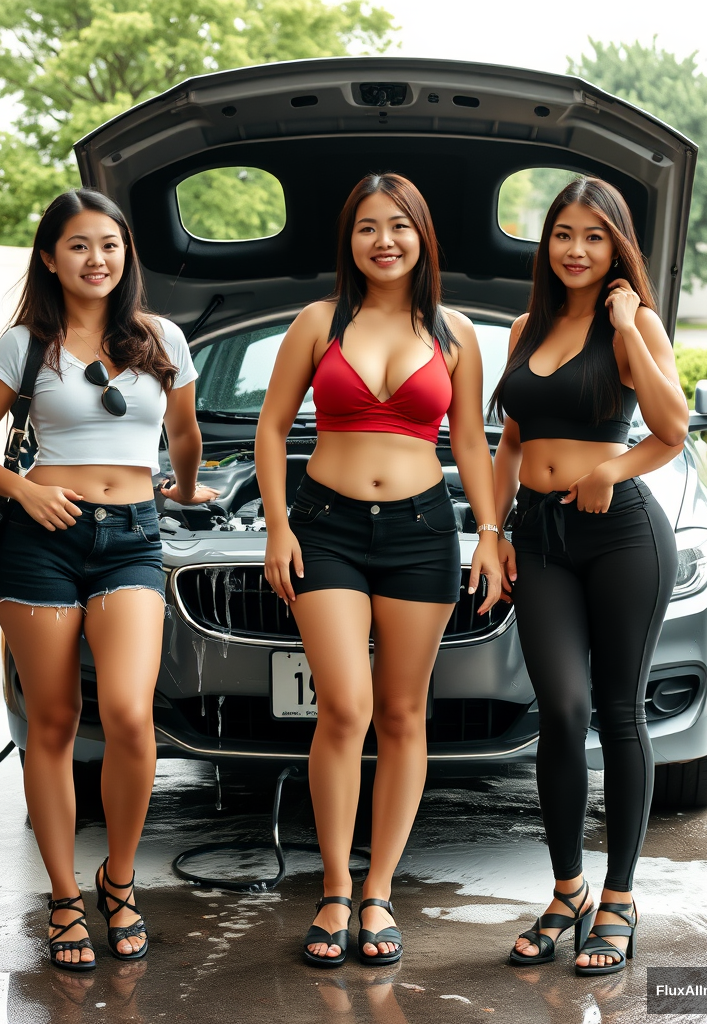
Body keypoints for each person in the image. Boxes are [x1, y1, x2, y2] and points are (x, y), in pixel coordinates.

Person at [0, 189, 217, 971]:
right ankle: (65, 897)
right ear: (48, 257)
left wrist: (186, 486)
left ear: (127, 254)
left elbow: (184, 431)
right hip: (39, 542)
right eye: (78, 246)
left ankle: (119, 880)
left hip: (132, 537)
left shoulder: (162, 337)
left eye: (110, 244)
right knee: (55, 723)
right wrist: (22, 487)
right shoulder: (25, 344)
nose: (97, 259)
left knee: (131, 715)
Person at [256, 173, 502, 967]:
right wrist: (277, 527)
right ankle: (333, 887)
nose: (384, 240)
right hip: (325, 528)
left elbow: (471, 443)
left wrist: (490, 531)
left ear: (423, 237)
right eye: (367, 227)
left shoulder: (456, 333)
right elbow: (269, 428)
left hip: (422, 530)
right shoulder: (318, 321)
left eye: (399, 226)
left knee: (403, 715)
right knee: (345, 708)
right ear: (349, 241)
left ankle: (379, 891)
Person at [490, 177, 686, 976]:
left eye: (594, 237)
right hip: (538, 536)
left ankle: (620, 899)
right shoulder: (522, 329)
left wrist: (626, 322)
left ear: (617, 248)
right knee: (562, 712)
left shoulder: (634, 322)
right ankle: (567, 889)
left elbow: (669, 427)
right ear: (548, 243)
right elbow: (510, 442)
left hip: (621, 536)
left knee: (619, 710)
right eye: (563, 234)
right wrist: (492, 531)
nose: (576, 250)